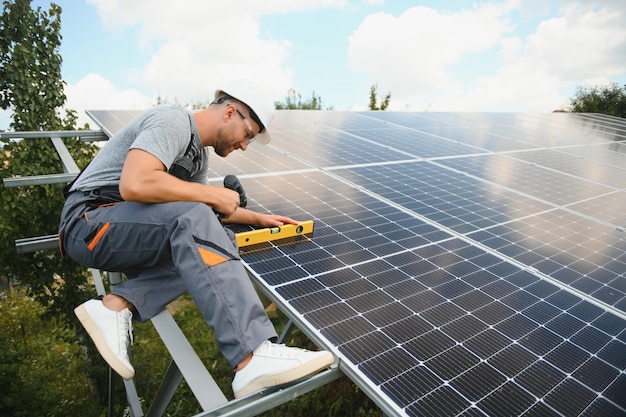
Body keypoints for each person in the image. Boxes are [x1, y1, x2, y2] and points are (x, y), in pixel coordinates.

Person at [58, 85, 333, 399]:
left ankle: (116, 305)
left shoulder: (197, 158)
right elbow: (136, 183)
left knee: (213, 241)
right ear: (230, 111)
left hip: (121, 230)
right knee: (198, 224)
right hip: (89, 222)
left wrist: (258, 219)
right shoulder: (172, 120)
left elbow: (199, 214)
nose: (245, 146)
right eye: (248, 134)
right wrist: (214, 195)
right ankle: (251, 355)